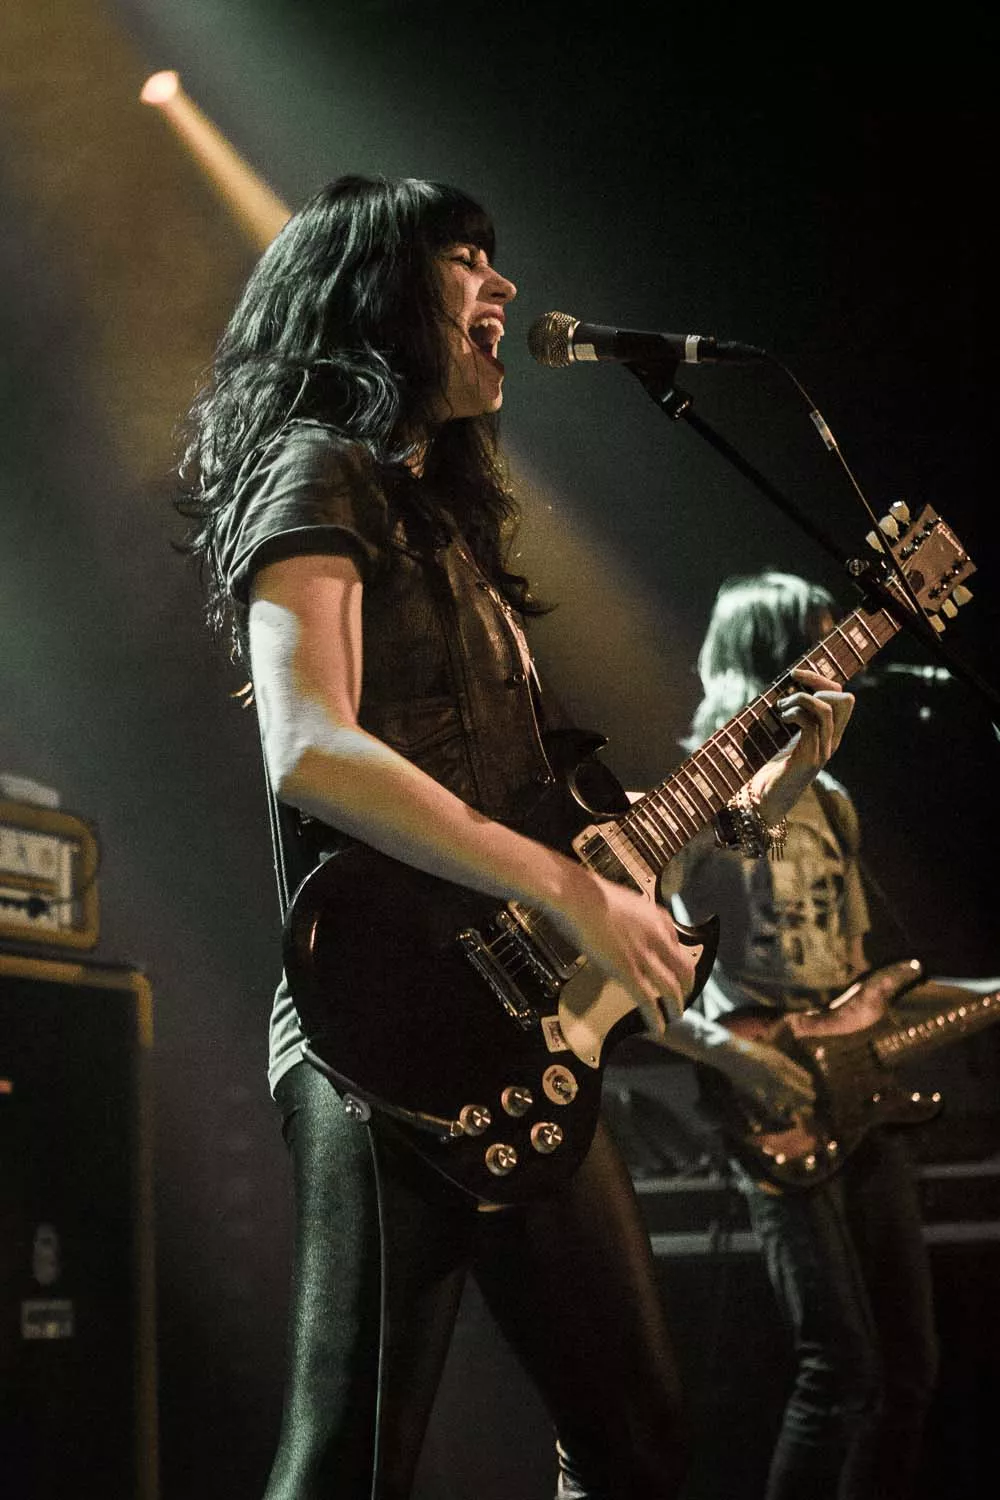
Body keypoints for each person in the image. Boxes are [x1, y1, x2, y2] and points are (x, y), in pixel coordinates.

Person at [177, 176, 854, 1500]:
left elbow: (578, 844)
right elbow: (309, 748)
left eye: (498, 261)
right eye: (467, 261)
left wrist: (758, 794)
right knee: (348, 1467)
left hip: (521, 1045)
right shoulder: (316, 469)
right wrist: (566, 889)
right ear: (378, 291)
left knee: (639, 1444)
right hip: (379, 1037)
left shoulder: (449, 527)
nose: (504, 288)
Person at [661, 571, 939, 1500]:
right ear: (775, 661)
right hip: (768, 1091)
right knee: (839, 1369)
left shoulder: (835, 801)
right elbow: (650, 959)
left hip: (857, 1087)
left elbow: (857, 963)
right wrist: (734, 1056)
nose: (841, 665)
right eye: (819, 645)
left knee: (909, 1371)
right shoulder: (692, 798)